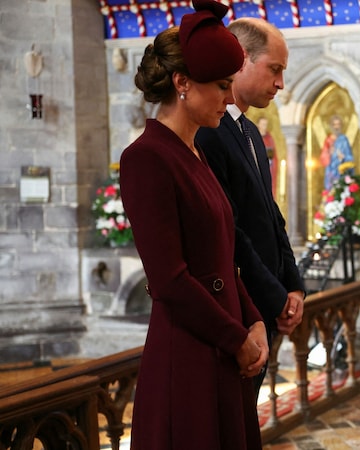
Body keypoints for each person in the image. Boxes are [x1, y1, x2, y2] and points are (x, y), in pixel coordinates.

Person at [118, 1, 267, 449]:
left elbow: (220, 255)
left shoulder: (195, 151)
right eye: (221, 86)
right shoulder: (145, 158)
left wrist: (254, 318)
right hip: (189, 350)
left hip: (220, 340)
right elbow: (170, 279)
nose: (229, 97)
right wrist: (235, 338)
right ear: (182, 83)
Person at [195, 17, 305, 396]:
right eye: (274, 69)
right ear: (241, 60)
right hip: (241, 309)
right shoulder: (210, 134)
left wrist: (294, 286)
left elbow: (272, 217)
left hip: (268, 302)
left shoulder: (252, 133)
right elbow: (232, 229)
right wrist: (276, 299)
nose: (280, 83)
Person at [321, 114, 355, 191]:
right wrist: (329, 153)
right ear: (331, 126)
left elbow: (350, 157)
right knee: (331, 189)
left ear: (341, 126)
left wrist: (343, 157)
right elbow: (323, 158)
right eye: (334, 124)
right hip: (331, 169)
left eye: (338, 124)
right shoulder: (328, 140)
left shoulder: (344, 139)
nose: (336, 127)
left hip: (342, 169)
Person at [257, 116, 278, 195]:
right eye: (262, 124)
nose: (264, 126)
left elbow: (273, 155)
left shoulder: (269, 138)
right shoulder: (254, 135)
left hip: (268, 166)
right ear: (258, 124)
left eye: (265, 124)